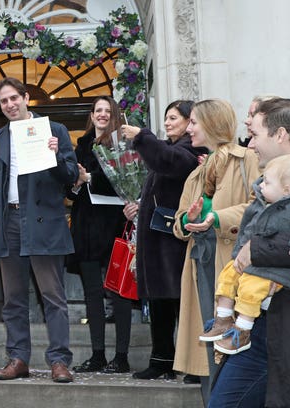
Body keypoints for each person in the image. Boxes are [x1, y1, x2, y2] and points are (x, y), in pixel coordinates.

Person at [0, 77, 77, 383]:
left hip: (44, 222)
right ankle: (18, 359)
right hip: (9, 224)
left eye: (13, 98)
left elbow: (70, 176)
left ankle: (59, 361)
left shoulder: (55, 130)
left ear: (25, 97)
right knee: (13, 299)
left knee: (53, 297)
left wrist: (57, 155)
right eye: (3, 101)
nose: (9, 105)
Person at [171, 99, 260, 405]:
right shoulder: (197, 172)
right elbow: (180, 222)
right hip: (202, 266)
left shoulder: (247, 159)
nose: (189, 127)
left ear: (211, 124)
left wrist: (217, 218)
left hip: (235, 267)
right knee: (209, 354)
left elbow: (259, 206)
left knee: (235, 349)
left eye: (194, 122)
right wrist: (189, 220)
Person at [209, 97, 290, 408]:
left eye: (255, 135)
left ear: (280, 134)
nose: (250, 144)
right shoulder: (269, 183)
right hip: (258, 325)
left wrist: (257, 249)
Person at [119, 100, 208, 380]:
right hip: (159, 240)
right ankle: (161, 360)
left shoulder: (192, 149)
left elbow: (169, 162)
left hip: (177, 239)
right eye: (166, 118)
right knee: (160, 301)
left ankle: (195, 364)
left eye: (174, 118)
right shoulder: (172, 148)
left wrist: (141, 136)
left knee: (185, 303)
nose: (168, 123)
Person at [200, 155, 290, 355]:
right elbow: (247, 231)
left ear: (286, 190)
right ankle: (223, 319)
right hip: (255, 264)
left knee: (250, 289)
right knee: (228, 275)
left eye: (267, 182)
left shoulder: (286, 211)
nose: (261, 186)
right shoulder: (262, 205)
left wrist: (255, 247)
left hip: (272, 272)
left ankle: (243, 330)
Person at [68, 96, 132, 374]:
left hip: (115, 224)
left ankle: (121, 356)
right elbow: (68, 187)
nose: (103, 115)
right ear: (91, 116)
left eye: (108, 111)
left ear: (114, 115)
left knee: (119, 292)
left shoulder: (125, 144)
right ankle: (97, 355)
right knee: (92, 293)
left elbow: (126, 178)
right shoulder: (80, 146)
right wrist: (75, 184)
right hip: (86, 225)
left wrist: (89, 178)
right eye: (98, 111)